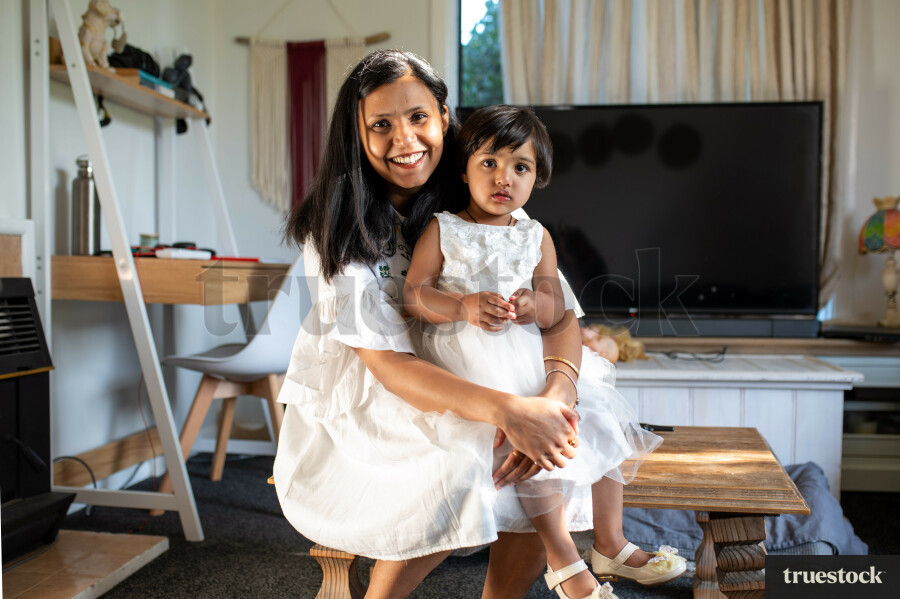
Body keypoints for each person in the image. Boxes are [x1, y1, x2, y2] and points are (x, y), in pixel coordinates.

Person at [273, 49, 681, 599]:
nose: (405, 140)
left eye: (418, 117)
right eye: (381, 126)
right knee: (469, 462)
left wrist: (551, 398)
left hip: (471, 369)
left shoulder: (480, 190)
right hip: (380, 391)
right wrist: (510, 410)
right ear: (357, 134)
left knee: (555, 439)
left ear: (443, 115)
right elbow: (390, 366)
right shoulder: (340, 234)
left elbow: (559, 316)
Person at [403, 105, 667, 599]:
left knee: (599, 422)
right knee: (527, 436)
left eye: (520, 167)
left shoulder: (536, 234)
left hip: (527, 356)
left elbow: (557, 306)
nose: (504, 177)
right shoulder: (444, 229)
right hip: (473, 365)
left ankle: (611, 541)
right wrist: (462, 305)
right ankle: (565, 557)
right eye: (489, 163)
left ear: (537, 177)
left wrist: (533, 303)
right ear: (463, 170)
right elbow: (414, 295)